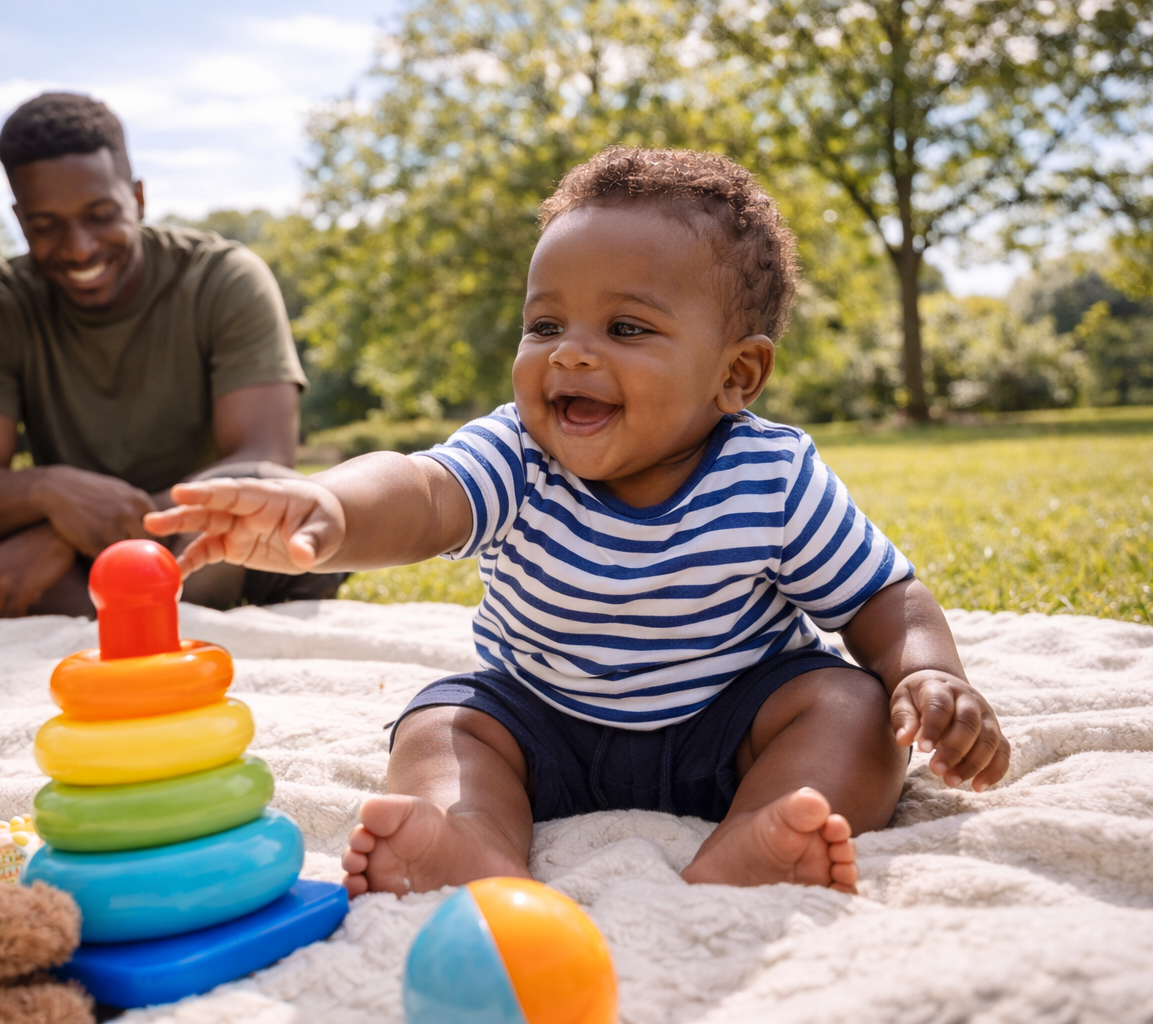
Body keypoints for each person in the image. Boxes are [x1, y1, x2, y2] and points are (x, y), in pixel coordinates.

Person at [144, 148, 1012, 897]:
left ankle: (762, 834)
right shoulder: (518, 452)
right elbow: (423, 491)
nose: (571, 352)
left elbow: (883, 597)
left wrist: (930, 673)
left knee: (851, 708)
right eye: (545, 323)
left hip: (729, 726)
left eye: (626, 326)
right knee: (443, 723)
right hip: (539, 722)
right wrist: (328, 506)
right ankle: (476, 843)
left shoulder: (773, 477)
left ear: (738, 375)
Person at [0, 92, 343, 617]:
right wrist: (50, 491)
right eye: (47, 225)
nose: (79, 248)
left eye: (100, 215)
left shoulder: (223, 278)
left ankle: (97, 609)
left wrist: (66, 538)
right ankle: (122, 609)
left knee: (263, 491)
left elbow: (264, 458)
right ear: (20, 221)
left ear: (137, 198)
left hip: (203, 541)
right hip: (81, 550)